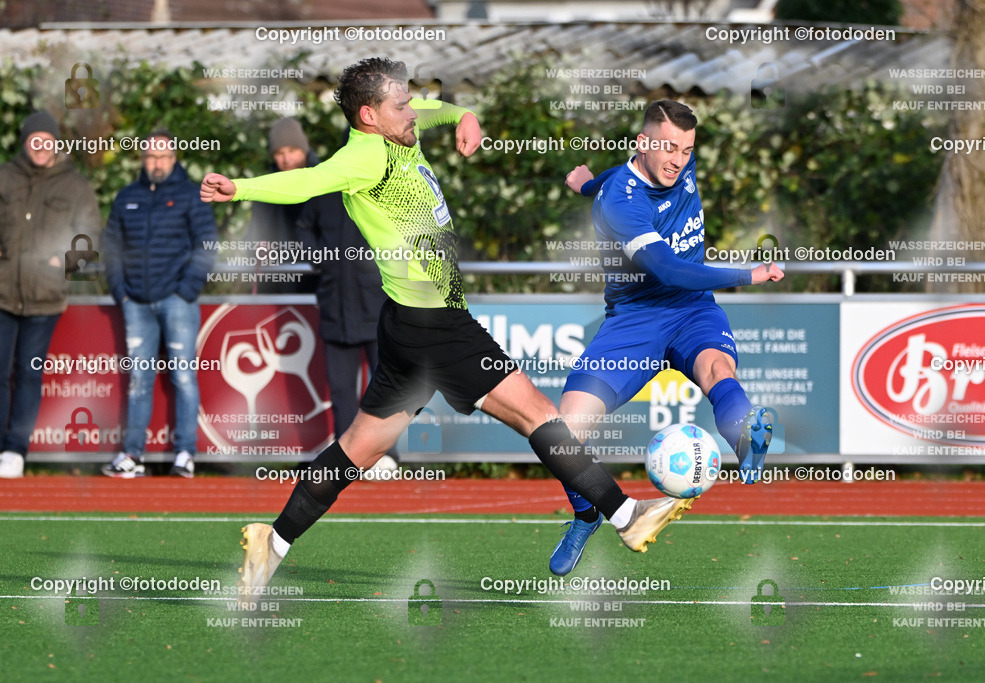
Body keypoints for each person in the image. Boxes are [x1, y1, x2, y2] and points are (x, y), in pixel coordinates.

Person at [201, 57, 691, 606]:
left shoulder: (400, 127)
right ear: (369, 116)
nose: (412, 111)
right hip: (435, 325)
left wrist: (463, 114)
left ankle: (274, 541)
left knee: (357, 449)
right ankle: (626, 516)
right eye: (400, 105)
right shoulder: (363, 156)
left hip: (406, 323)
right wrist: (239, 188)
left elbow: (432, 111)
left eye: (409, 101)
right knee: (537, 414)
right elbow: (309, 182)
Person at [546, 99, 785, 575]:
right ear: (644, 143)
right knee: (563, 431)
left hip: (692, 310)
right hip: (635, 320)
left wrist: (584, 183)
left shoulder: (667, 163)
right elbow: (670, 269)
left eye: (687, 149)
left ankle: (745, 442)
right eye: (670, 149)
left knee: (718, 368)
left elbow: (620, 171)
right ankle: (587, 512)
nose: (679, 160)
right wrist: (747, 275)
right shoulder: (621, 203)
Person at [101, 129, 218, 478]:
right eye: (151, 157)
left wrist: (187, 289)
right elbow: (111, 248)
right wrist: (119, 291)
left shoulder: (191, 195)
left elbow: (206, 244)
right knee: (139, 379)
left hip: (177, 301)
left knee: (183, 377)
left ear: (174, 158)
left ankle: (185, 453)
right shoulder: (127, 197)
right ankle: (132, 455)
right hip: (135, 302)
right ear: (142, 160)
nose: (157, 163)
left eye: (163, 157)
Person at [0, 111, 101, 478]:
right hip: (3, 292)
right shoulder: (5, 177)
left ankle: (14, 450)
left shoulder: (75, 185)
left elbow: (90, 234)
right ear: (25, 142)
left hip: (45, 296)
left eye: (46, 140)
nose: (40, 147)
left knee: (28, 374)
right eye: (33, 140)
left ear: (55, 143)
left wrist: (67, 259)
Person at [293, 129, 395, 466]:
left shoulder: (387, 181)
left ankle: (385, 456)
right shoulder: (325, 182)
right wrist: (319, 257)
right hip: (335, 304)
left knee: (384, 387)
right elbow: (304, 228)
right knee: (340, 391)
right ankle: (345, 460)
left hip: (380, 304)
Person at [244, 117, 319, 294]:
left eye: (292, 150)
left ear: (304, 149)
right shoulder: (264, 190)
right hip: (276, 290)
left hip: (319, 287)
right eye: (279, 153)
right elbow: (251, 238)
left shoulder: (326, 182)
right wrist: (257, 248)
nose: (286, 159)